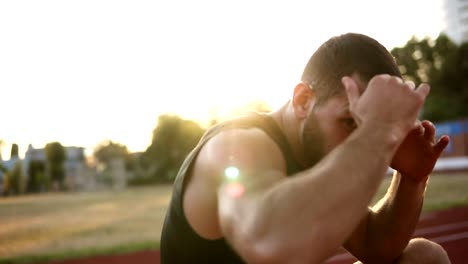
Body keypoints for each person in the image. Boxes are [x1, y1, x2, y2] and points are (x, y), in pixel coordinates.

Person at [160, 33, 452, 264]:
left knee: (424, 258)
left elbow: (375, 245)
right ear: (303, 100)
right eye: (350, 121)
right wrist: (377, 133)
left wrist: (411, 179)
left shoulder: (315, 153)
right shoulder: (237, 145)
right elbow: (269, 242)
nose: (356, 141)